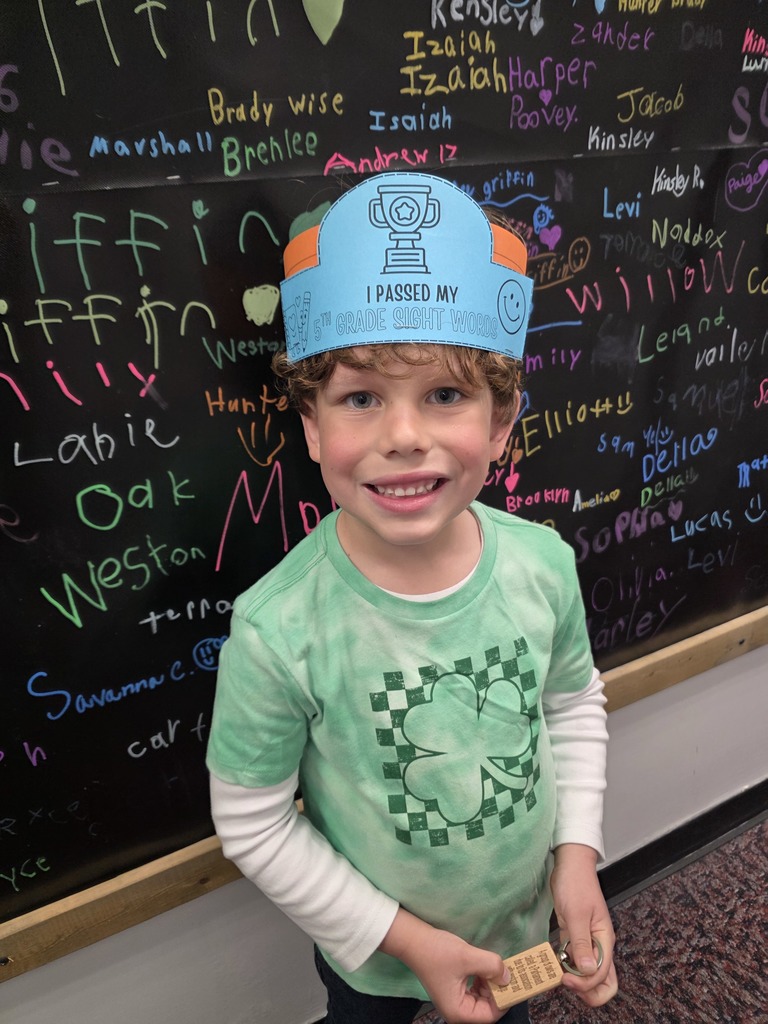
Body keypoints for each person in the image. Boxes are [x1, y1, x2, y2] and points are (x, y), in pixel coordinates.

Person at [206, 171, 618, 1024]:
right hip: (378, 963)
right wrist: (404, 939)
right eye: (361, 398)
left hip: (522, 926)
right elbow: (252, 823)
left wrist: (575, 856)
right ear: (313, 427)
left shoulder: (542, 565)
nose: (403, 436)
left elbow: (571, 707)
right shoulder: (279, 626)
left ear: (501, 425)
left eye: (445, 394)